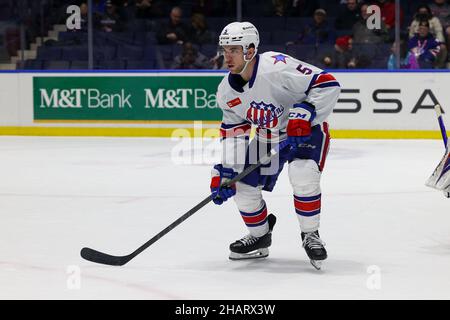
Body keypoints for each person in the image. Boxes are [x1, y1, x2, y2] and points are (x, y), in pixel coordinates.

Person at [210, 22, 340, 269]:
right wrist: (227, 172)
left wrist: (307, 111)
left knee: (302, 174)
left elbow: (327, 84)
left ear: (249, 50)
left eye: (233, 50)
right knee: (242, 188)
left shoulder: (276, 67)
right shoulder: (226, 91)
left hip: (306, 131)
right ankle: (260, 236)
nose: (227, 56)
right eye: (224, 49)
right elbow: (234, 133)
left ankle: (310, 235)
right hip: (268, 137)